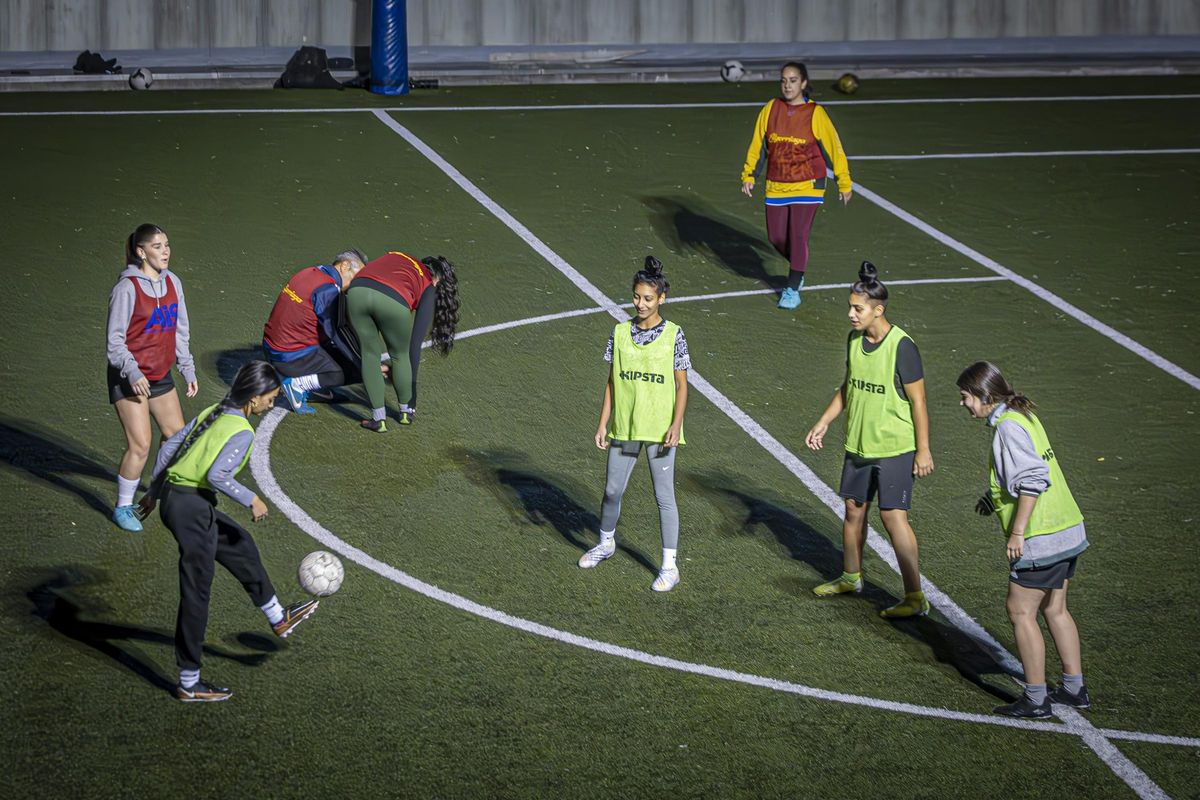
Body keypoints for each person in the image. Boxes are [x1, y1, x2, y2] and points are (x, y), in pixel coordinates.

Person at [138, 360, 319, 702]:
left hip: (182, 504)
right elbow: (218, 476)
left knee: (239, 543)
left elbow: (171, 446)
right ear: (253, 397)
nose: (272, 403)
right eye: (271, 397)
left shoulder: (215, 410)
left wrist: (153, 493)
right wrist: (252, 499)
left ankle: (278, 617)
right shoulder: (242, 430)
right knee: (196, 593)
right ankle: (189, 683)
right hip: (191, 507)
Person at [957, 361, 1090, 718]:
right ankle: (1074, 689)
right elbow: (1024, 472)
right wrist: (996, 496)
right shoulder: (1023, 415)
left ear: (984, 396)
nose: (963, 404)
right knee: (1054, 608)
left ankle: (1035, 698)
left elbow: (1032, 480)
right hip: (1067, 529)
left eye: (966, 397)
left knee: (1020, 611)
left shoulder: (1007, 428)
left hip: (1040, 537)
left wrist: (1017, 531)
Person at [805, 261, 933, 618]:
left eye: (857, 308)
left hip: (894, 448)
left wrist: (922, 450)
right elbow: (850, 386)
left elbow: (918, 401)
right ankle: (851, 577)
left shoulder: (902, 346)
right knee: (852, 511)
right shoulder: (854, 341)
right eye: (850, 306)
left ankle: (914, 596)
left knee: (894, 518)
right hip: (858, 444)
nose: (850, 314)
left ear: (879, 310)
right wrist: (824, 421)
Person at [578, 256, 690, 592]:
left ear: (662, 299)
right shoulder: (619, 333)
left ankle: (670, 566)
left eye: (648, 298)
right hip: (625, 426)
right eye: (637, 297)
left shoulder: (674, 335)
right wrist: (602, 423)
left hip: (659, 429)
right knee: (612, 490)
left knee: (663, 496)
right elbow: (612, 381)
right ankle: (606, 542)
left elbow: (682, 385)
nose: (640, 304)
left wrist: (676, 424)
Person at [106, 223, 198, 532]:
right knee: (141, 445)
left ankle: (157, 491)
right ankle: (122, 506)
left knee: (176, 436)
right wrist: (132, 372)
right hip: (129, 376)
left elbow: (180, 331)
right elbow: (114, 343)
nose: (166, 251)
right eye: (157, 246)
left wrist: (187, 368)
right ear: (140, 251)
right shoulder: (126, 289)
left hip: (159, 374)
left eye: (167, 245)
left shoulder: (173, 283)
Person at [739, 61, 852, 310]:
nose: (787, 85)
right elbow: (758, 144)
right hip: (777, 183)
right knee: (777, 238)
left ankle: (792, 285)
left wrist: (844, 182)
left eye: (792, 80)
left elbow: (835, 148)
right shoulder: (771, 108)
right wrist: (749, 174)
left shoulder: (815, 113)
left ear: (803, 84)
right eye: (783, 80)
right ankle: (798, 268)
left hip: (808, 183)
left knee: (798, 235)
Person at [346, 251, 460, 432]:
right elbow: (414, 348)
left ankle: (378, 420)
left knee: (369, 354)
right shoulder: (429, 285)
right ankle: (405, 413)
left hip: (357, 291)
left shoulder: (399, 256)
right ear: (438, 281)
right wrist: (411, 398)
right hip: (393, 298)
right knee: (400, 354)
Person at [262, 249, 368, 414]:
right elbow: (336, 332)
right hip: (288, 357)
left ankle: (314, 385)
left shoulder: (309, 272)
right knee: (349, 371)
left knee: (345, 356)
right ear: (345, 266)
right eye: (357, 277)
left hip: (274, 347)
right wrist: (364, 364)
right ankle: (297, 385)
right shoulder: (329, 289)